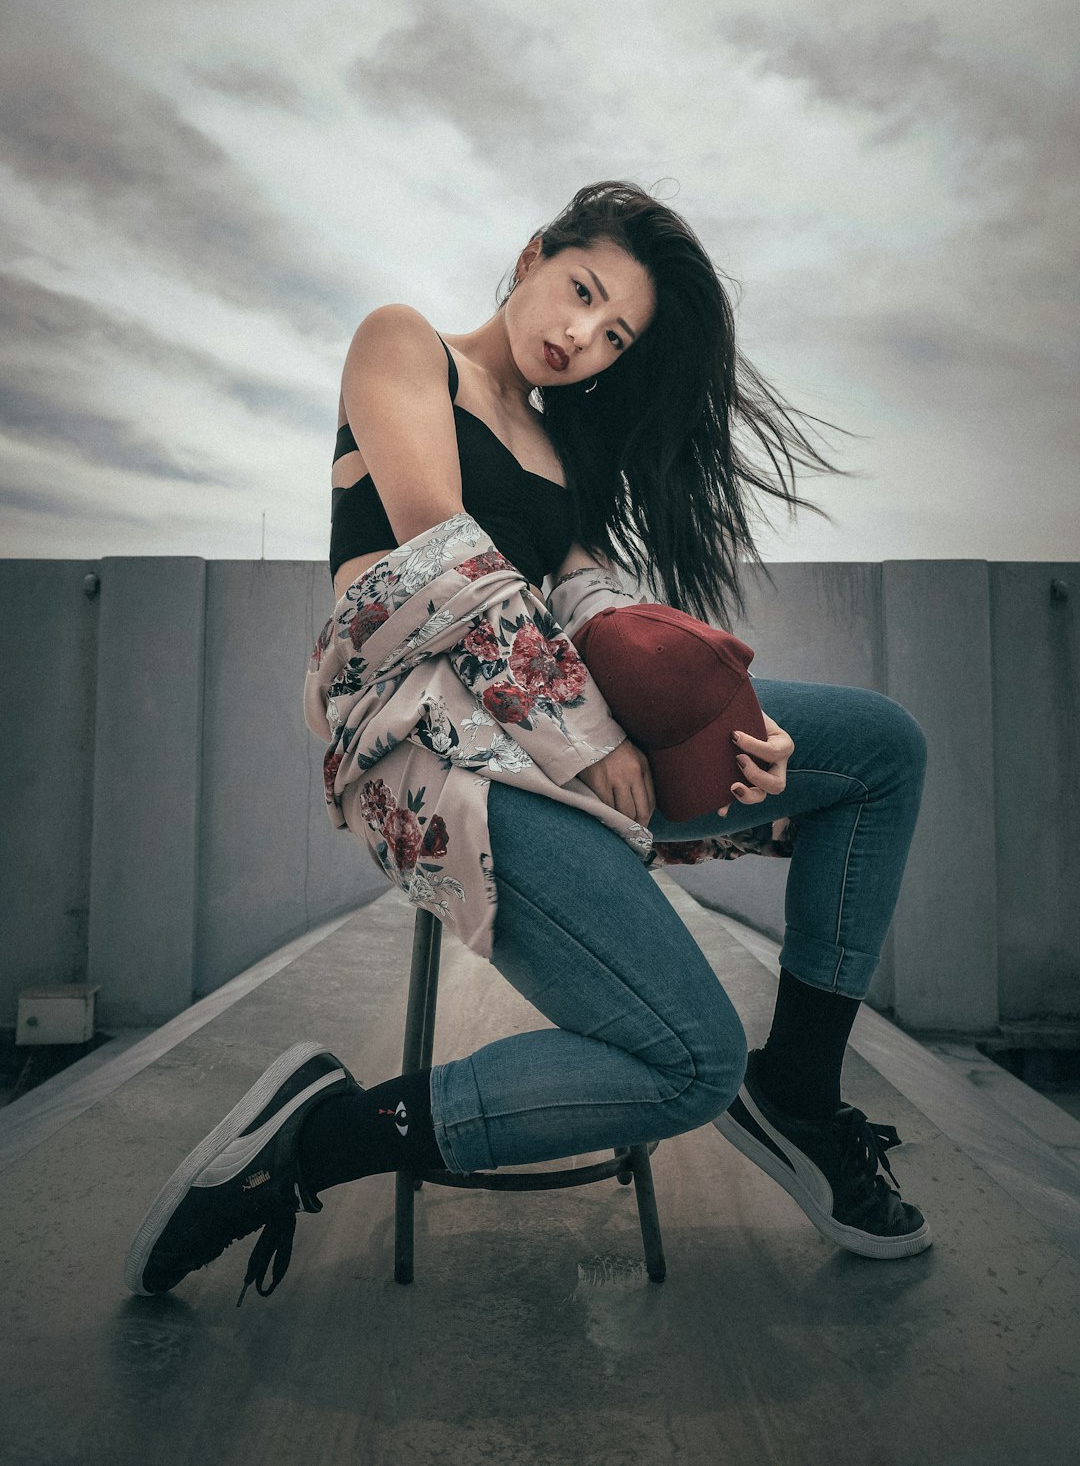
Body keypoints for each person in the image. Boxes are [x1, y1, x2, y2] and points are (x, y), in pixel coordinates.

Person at [124, 181, 931, 1306]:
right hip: (427, 748)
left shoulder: (564, 449)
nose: (578, 337)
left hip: (552, 736)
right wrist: (586, 727)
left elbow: (598, 608)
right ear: (533, 254)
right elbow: (441, 552)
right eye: (581, 292)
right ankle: (314, 1140)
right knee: (692, 1065)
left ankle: (797, 1089)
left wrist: (734, 728)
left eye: (613, 337)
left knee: (880, 749)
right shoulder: (405, 346)